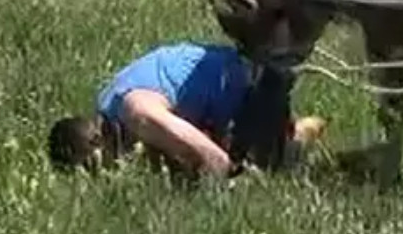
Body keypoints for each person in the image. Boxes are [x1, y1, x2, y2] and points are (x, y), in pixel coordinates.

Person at [46, 40, 326, 179]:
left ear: (98, 142)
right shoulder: (109, 103)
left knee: (274, 169)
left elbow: (207, 154)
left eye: (95, 167)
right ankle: (291, 134)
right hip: (234, 75)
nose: (105, 174)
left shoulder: (137, 114)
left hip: (254, 81)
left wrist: (231, 179)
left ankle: (296, 140)